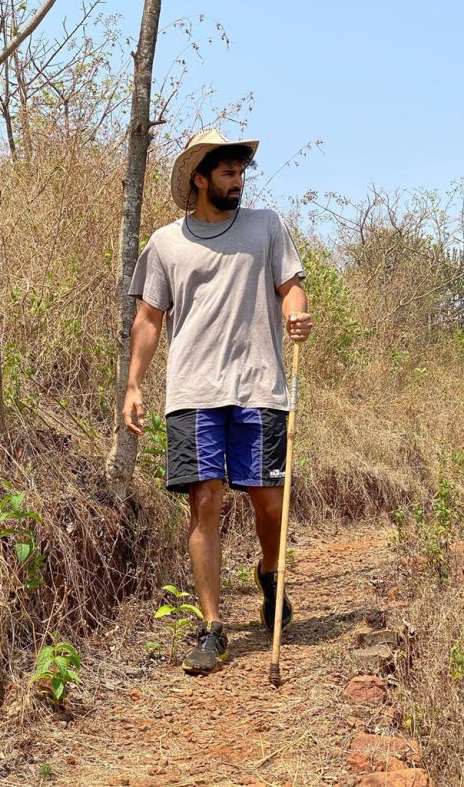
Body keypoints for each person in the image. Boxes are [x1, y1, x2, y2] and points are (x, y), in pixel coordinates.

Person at [123, 129, 312, 675]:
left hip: (260, 387)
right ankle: (212, 627)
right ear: (200, 179)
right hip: (193, 392)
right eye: (228, 173)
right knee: (205, 500)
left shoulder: (266, 226)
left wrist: (296, 313)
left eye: (240, 172)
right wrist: (134, 385)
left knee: (268, 502)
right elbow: (149, 319)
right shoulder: (165, 244)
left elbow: (290, 286)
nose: (238, 181)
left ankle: (270, 574)